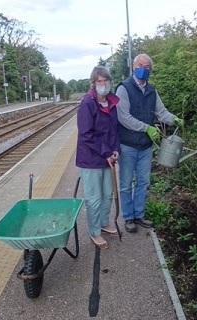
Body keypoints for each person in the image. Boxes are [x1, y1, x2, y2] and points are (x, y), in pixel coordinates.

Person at [115, 53, 183, 233]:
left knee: (143, 182)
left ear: (150, 70)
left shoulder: (152, 91)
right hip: (128, 145)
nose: (143, 69)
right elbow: (123, 117)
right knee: (125, 183)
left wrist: (174, 119)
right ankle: (128, 217)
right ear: (133, 67)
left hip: (145, 147)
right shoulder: (123, 88)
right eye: (140, 65)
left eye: (147, 67)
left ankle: (139, 215)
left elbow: (162, 113)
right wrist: (146, 128)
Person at [76, 66, 120, 249]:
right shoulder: (87, 103)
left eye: (106, 81)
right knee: (94, 197)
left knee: (107, 195)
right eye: (99, 81)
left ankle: (104, 222)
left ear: (110, 82)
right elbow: (86, 135)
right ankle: (94, 231)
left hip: (108, 157)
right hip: (91, 159)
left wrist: (116, 149)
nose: (103, 84)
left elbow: (115, 129)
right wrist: (106, 152)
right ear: (93, 83)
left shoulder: (111, 102)